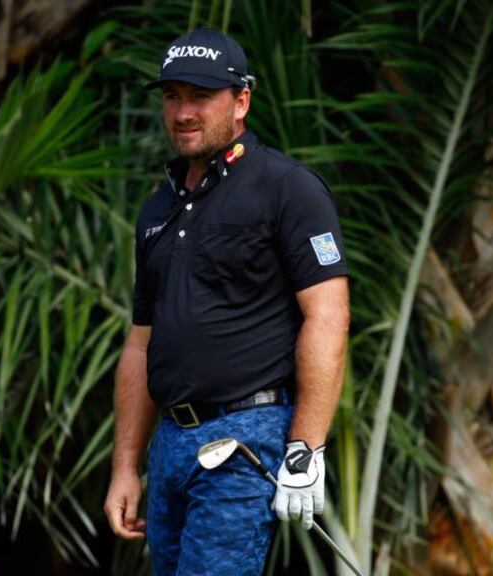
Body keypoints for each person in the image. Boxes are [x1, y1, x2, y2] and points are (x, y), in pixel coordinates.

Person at [103, 27, 350, 575]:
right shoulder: (158, 209)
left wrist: (306, 448)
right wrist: (126, 466)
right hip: (169, 446)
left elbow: (328, 314)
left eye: (200, 96)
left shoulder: (289, 188)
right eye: (172, 96)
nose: (183, 112)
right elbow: (142, 343)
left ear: (241, 101)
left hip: (243, 442)